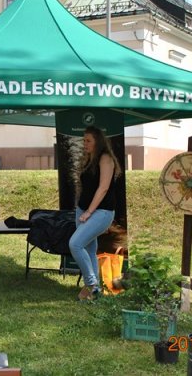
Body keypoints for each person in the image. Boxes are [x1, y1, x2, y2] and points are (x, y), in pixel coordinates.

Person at [70, 126, 122, 301]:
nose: (85, 144)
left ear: (98, 141)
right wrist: (82, 209)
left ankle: (91, 284)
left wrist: (89, 212)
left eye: (88, 141)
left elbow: (103, 188)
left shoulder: (105, 158)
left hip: (101, 212)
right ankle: (95, 290)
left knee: (75, 244)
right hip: (84, 210)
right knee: (89, 248)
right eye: (83, 140)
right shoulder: (89, 159)